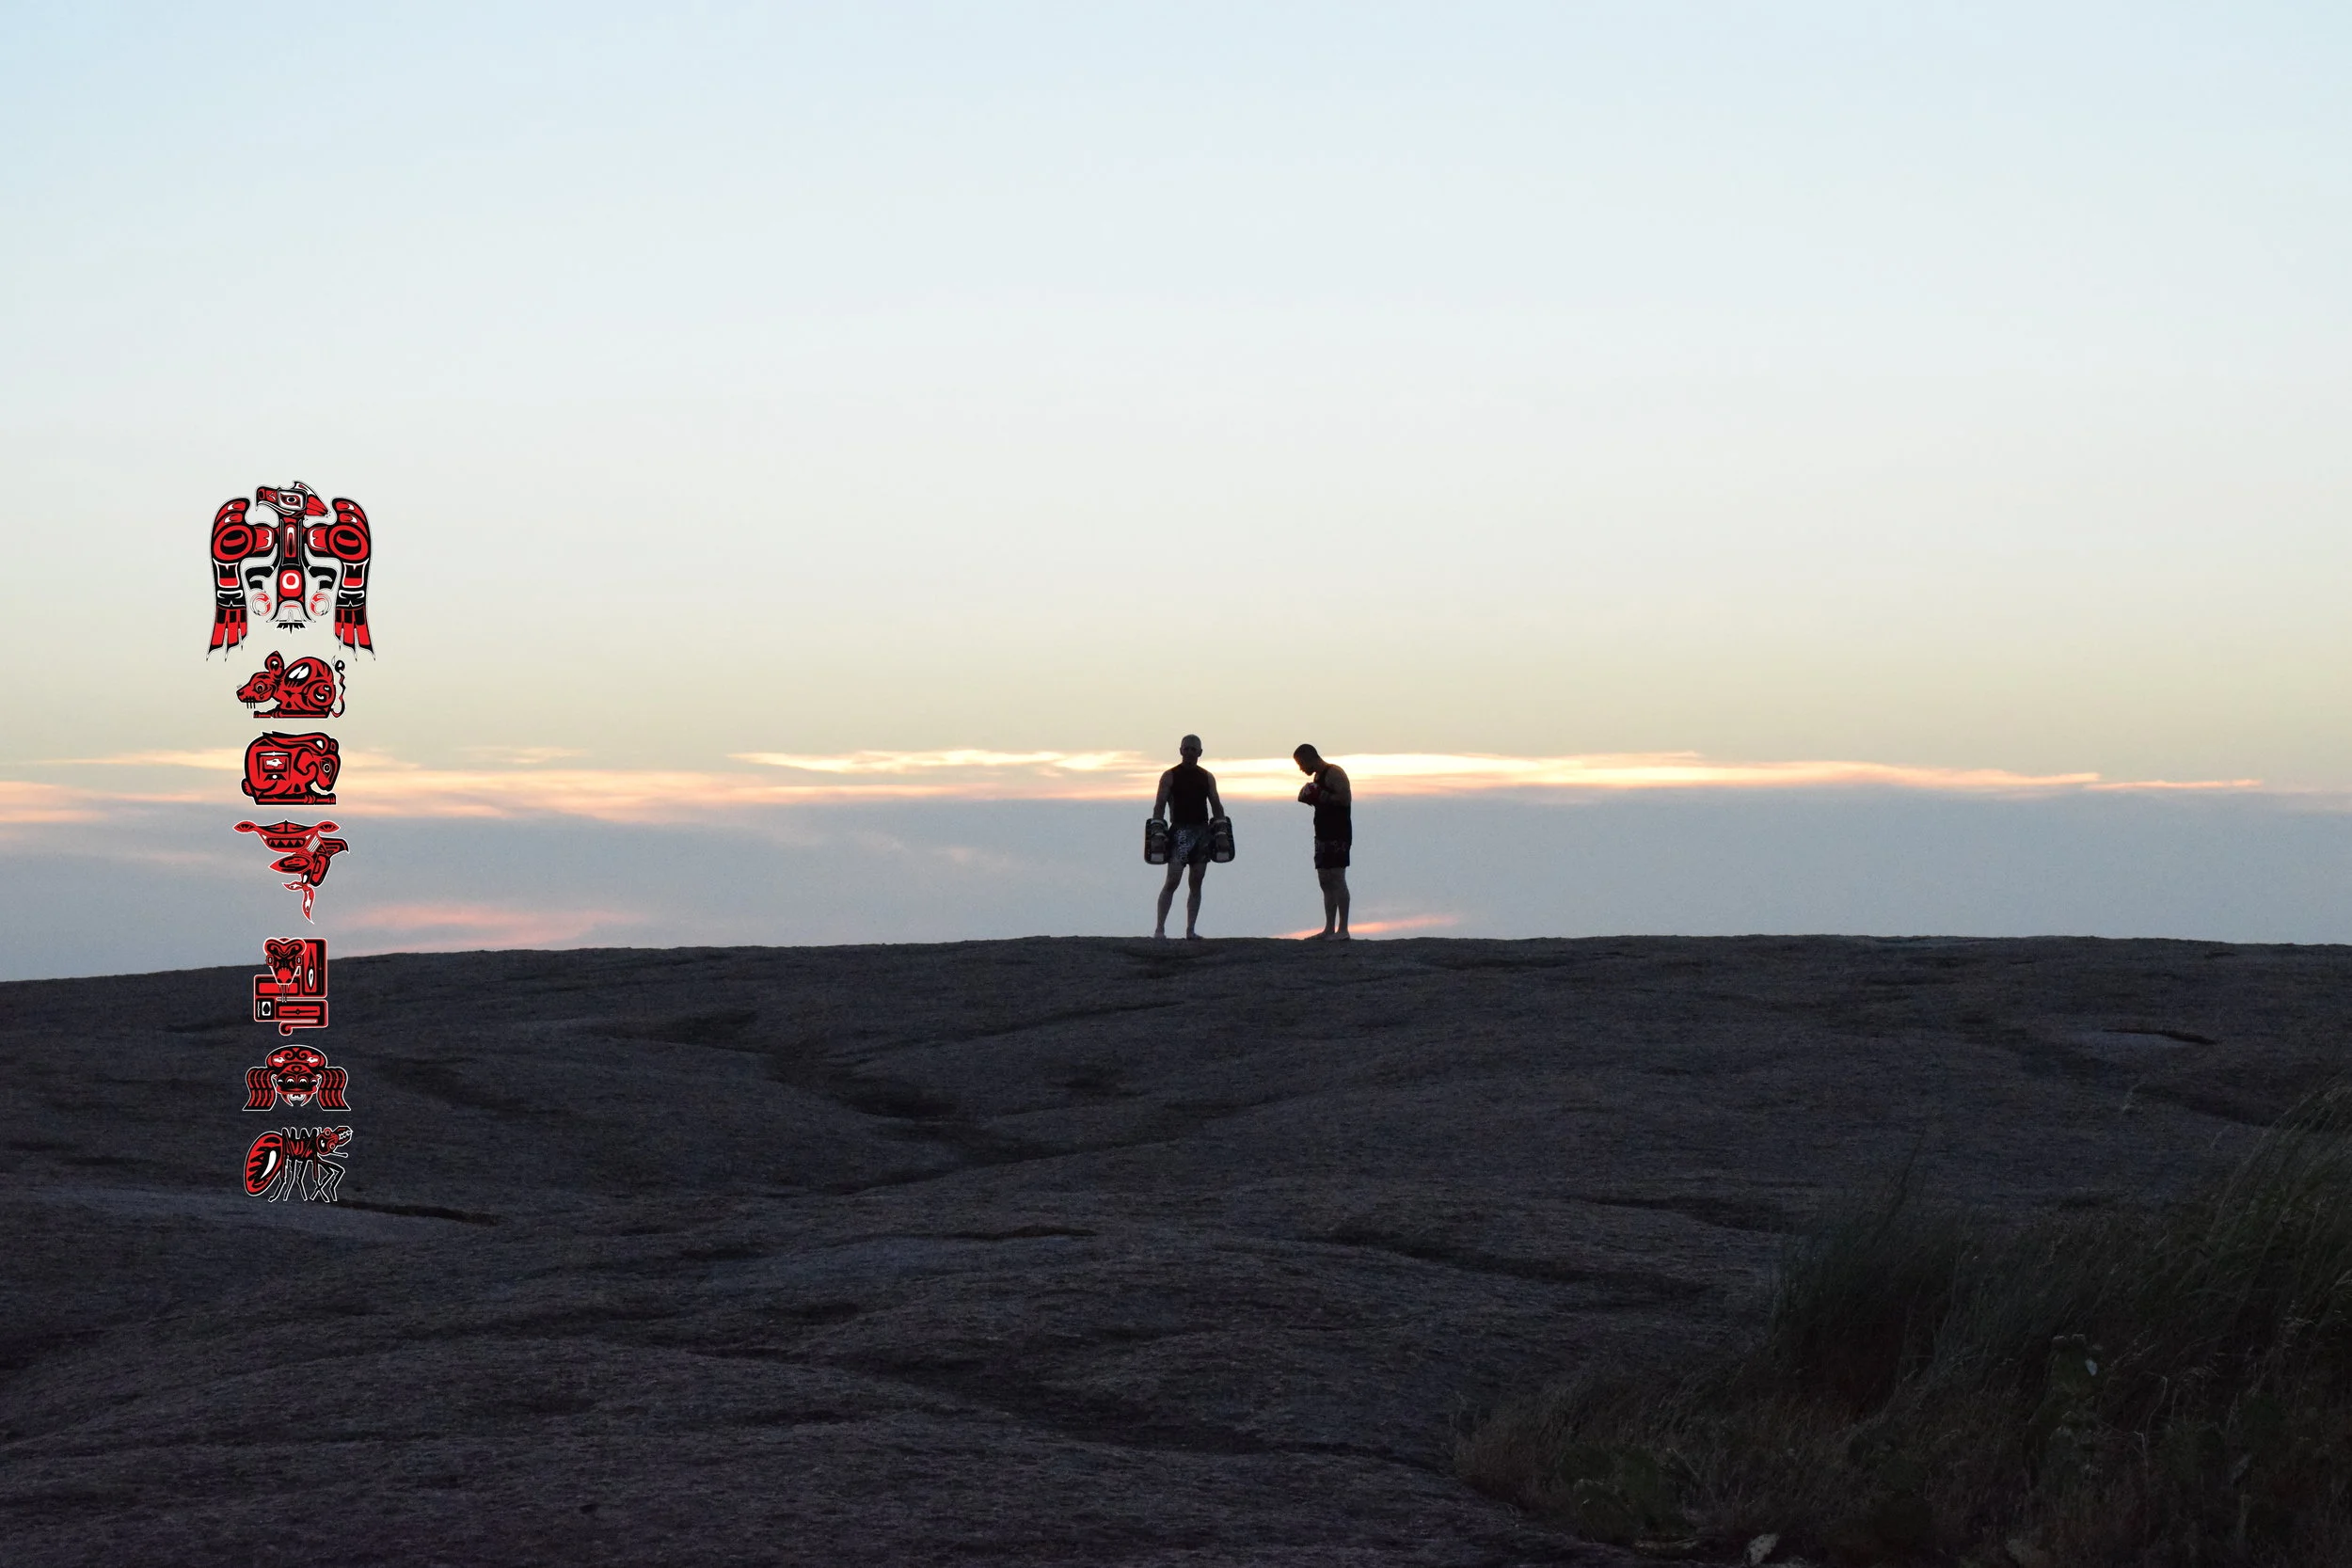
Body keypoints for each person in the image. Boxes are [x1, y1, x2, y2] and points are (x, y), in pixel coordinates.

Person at [1152, 735, 1225, 940]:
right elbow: (1159, 805)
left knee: (1196, 881)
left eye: (1194, 749)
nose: (1190, 752)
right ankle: (1160, 929)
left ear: (1200, 752)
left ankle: (1190, 930)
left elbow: (1216, 805)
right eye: (1187, 748)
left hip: (1202, 832)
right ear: (1181, 750)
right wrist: (1158, 833)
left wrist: (1221, 833)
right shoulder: (1170, 776)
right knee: (1173, 880)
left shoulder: (1207, 777)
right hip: (1180, 833)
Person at [1293, 743, 1351, 940]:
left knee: (1337, 877)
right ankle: (1328, 928)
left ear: (1309, 758)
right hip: (1322, 833)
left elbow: (1344, 798)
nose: (1301, 768)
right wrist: (1309, 797)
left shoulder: (1334, 772)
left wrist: (1321, 795)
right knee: (1325, 880)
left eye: (1301, 763)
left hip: (1338, 832)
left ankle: (1343, 929)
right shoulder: (1317, 777)